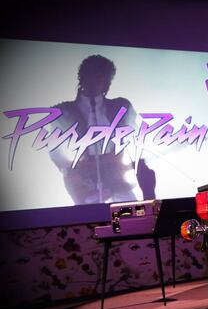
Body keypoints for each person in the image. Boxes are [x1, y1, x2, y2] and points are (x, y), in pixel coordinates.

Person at [49, 55, 146, 204]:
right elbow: (56, 151)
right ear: (83, 77)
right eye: (93, 75)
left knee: (131, 216)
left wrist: (119, 158)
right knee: (91, 221)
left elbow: (137, 136)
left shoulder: (121, 106)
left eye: (102, 77)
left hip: (117, 178)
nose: (98, 81)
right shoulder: (63, 111)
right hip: (85, 182)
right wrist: (74, 170)